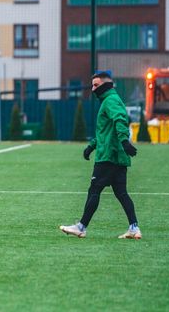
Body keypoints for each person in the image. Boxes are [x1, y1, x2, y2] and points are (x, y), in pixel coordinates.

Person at [60, 71, 141, 239]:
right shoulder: (111, 99)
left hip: (108, 156)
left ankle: (81, 227)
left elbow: (120, 119)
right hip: (117, 157)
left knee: (94, 190)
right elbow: (105, 131)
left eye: (96, 85)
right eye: (92, 85)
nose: (93, 89)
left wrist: (124, 141)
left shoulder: (110, 101)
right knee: (121, 193)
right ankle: (134, 228)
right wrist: (91, 146)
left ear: (106, 85)